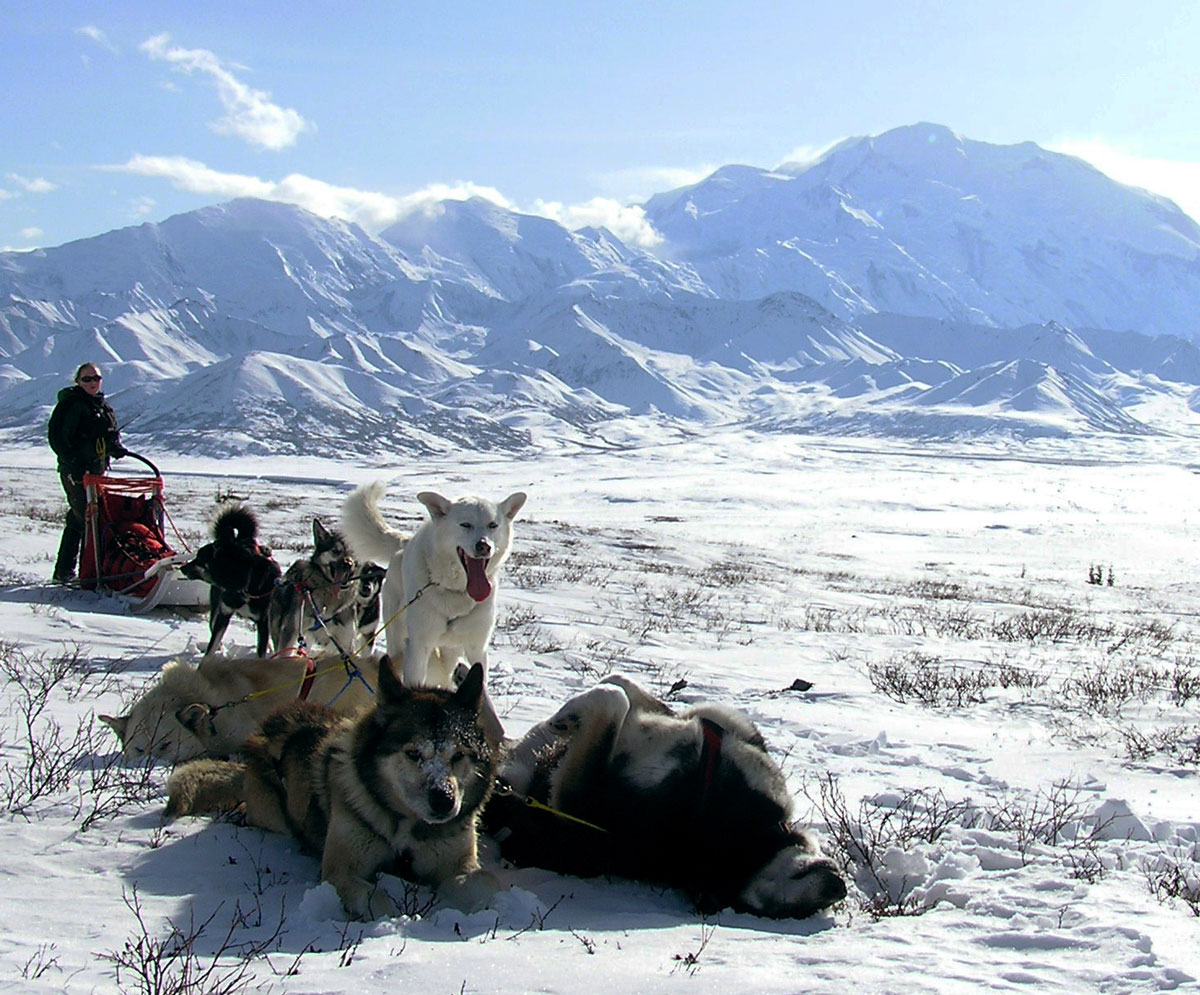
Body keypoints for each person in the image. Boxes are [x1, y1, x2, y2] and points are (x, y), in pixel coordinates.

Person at [47, 362, 127, 583]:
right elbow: (57, 437)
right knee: (88, 519)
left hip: (97, 471)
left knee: (78, 518)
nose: (92, 383)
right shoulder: (70, 405)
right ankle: (88, 574)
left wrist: (115, 447)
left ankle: (65, 571)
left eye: (96, 378)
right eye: (87, 379)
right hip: (76, 472)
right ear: (77, 381)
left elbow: (108, 435)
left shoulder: (103, 407)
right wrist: (72, 460)